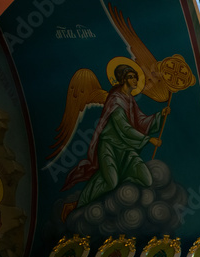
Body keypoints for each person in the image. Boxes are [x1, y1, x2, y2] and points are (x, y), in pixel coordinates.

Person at [59, 62, 168, 214]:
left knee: (146, 179)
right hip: (109, 146)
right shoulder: (116, 100)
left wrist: (159, 116)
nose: (135, 80)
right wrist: (148, 140)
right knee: (111, 181)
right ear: (123, 80)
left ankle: (120, 196)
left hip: (125, 148)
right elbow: (124, 128)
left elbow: (141, 121)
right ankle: (76, 205)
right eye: (131, 77)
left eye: (135, 77)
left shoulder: (130, 100)